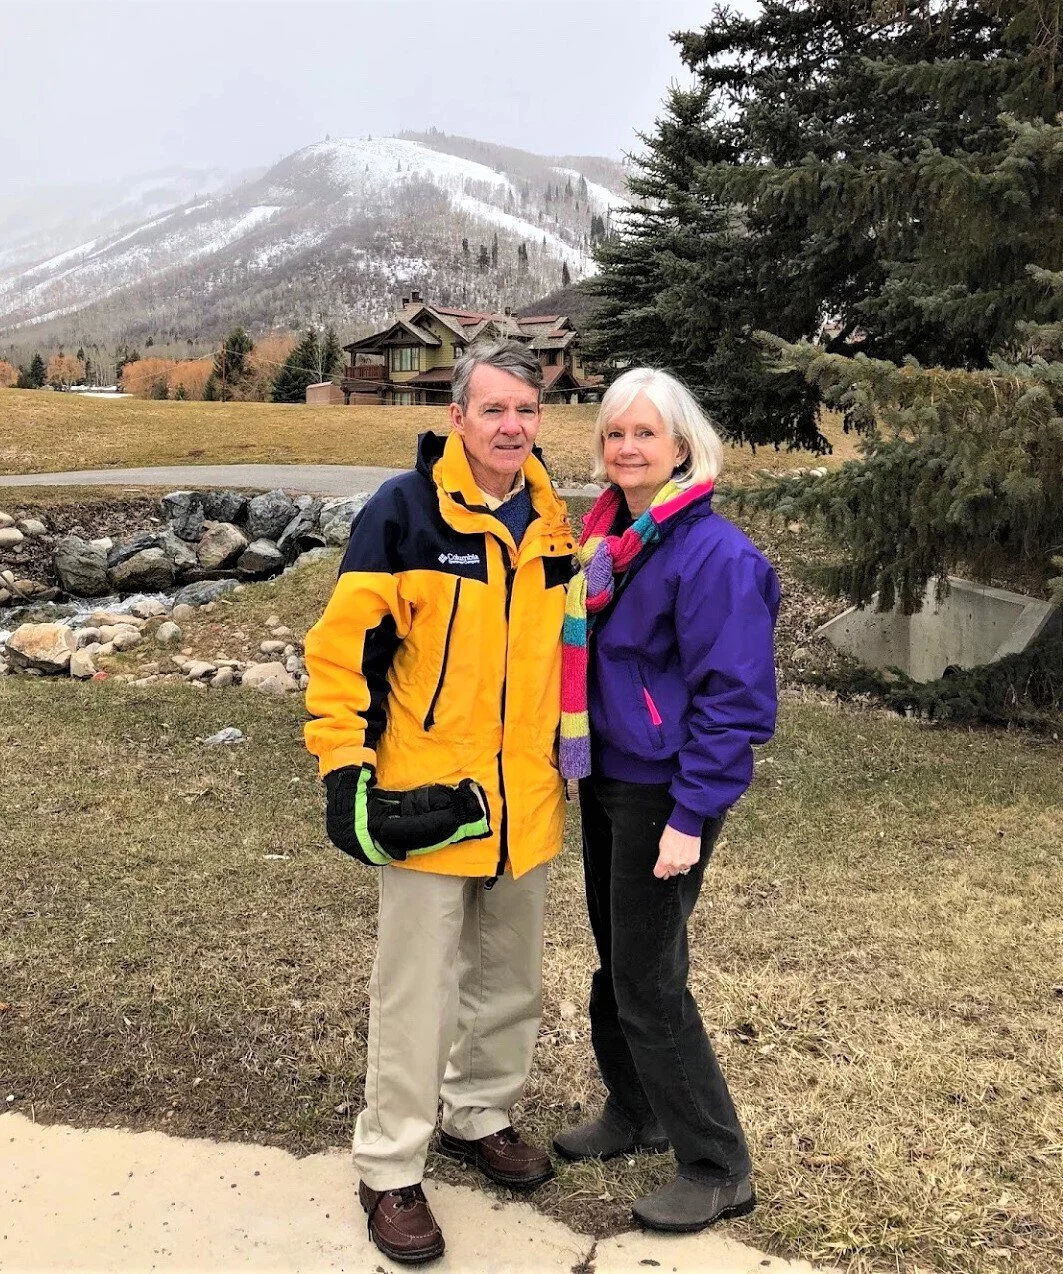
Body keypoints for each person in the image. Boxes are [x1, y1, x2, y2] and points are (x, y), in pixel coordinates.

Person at [304, 341, 574, 1265]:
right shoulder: (402, 512)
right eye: (493, 410)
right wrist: (345, 772)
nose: (511, 426)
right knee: (414, 993)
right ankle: (389, 1168)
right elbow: (342, 652)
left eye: (525, 411)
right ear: (456, 417)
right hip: (428, 799)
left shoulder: (552, 521)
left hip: (525, 801)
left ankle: (478, 1114)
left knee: (509, 985)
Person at [554, 367, 780, 1233]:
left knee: (649, 979)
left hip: (666, 790)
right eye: (614, 433)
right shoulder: (612, 543)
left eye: (643, 433)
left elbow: (733, 701)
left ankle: (717, 1164)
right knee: (617, 965)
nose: (625, 448)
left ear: (682, 446)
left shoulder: (714, 554)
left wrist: (689, 816)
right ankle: (637, 1110)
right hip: (610, 773)